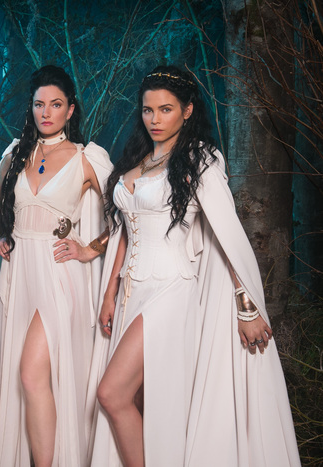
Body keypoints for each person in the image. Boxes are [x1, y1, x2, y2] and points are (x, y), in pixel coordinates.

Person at [89, 65, 300, 466]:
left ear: (187, 111)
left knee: (111, 394)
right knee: (144, 401)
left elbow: (227, 234)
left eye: (165, 109)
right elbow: (124, 232)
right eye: (148, 110)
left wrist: (246, 305)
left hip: (171, 291)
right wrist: (110, 293)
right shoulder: (138, 159)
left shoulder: (198, 160)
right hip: (132, 293)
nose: (154, 119)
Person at [0, 65, 113, 467]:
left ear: (70, 109)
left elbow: (124, 214)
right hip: (21, 273)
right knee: (30, 377)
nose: (46, 112)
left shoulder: (86, 158)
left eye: (56, 104)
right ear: (31, 108)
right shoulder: (16, 153)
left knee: (31, 373)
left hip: (59, 274)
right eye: (39, 104)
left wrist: (90, 249)